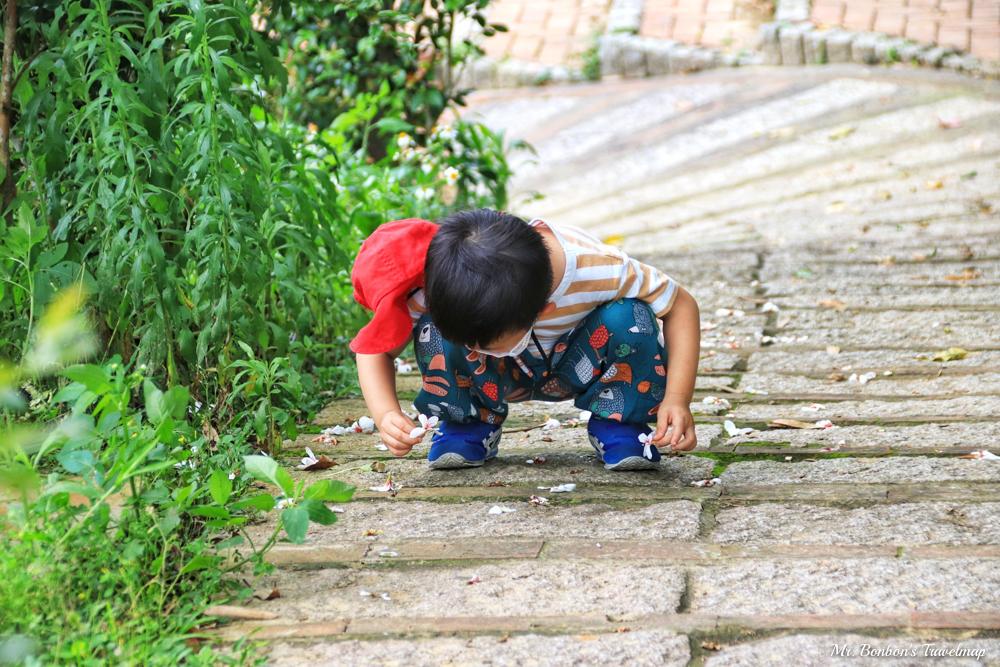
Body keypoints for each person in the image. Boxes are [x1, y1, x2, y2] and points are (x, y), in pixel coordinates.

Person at [350, 209, 701, 470]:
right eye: (469, 343)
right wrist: (385, 414)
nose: (472, 350)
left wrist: (677, 398)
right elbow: (374, 351)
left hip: (577, 364)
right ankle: (468, 421)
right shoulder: (442, 280)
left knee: (629, 316)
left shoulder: (601, 268)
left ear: (543, 310)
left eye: (487, 343)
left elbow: (680, 305)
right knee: (432, 327)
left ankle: (619, 424)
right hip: (491, 379)